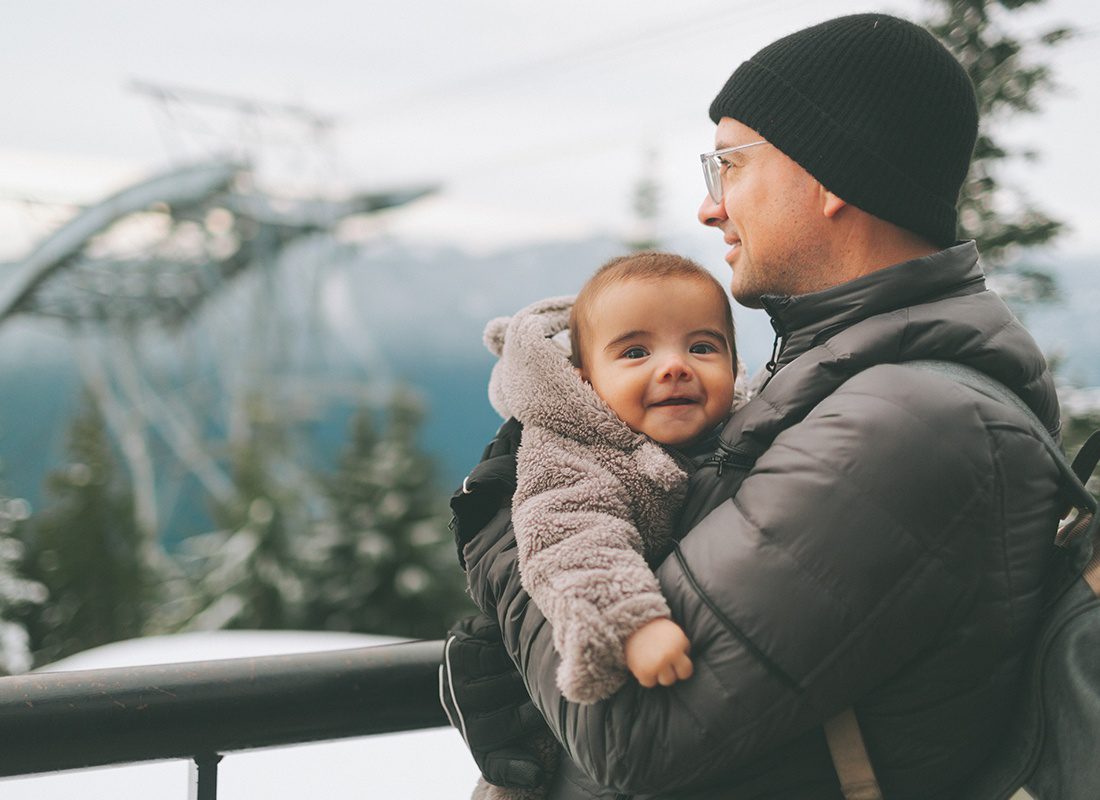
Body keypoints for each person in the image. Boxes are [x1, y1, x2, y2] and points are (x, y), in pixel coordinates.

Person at [443, 12, 1064, 799]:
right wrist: (534, 668)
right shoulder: (837, 381)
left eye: (729, 165)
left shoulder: (903, 425)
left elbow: (631, 736)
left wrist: (504, 531)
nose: (710, 207)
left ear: (830, 175)